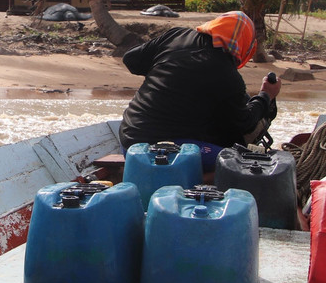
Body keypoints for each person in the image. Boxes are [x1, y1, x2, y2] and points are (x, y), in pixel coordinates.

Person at [118, 11, 280, 171]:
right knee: (236, 164)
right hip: (166, 150)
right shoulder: (228, 76)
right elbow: (245, 123)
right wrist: (266, 95)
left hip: (130, 142)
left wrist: (169, 71)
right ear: (245, 45)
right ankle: (193, 181)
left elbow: (131, 59)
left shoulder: (176, 35)